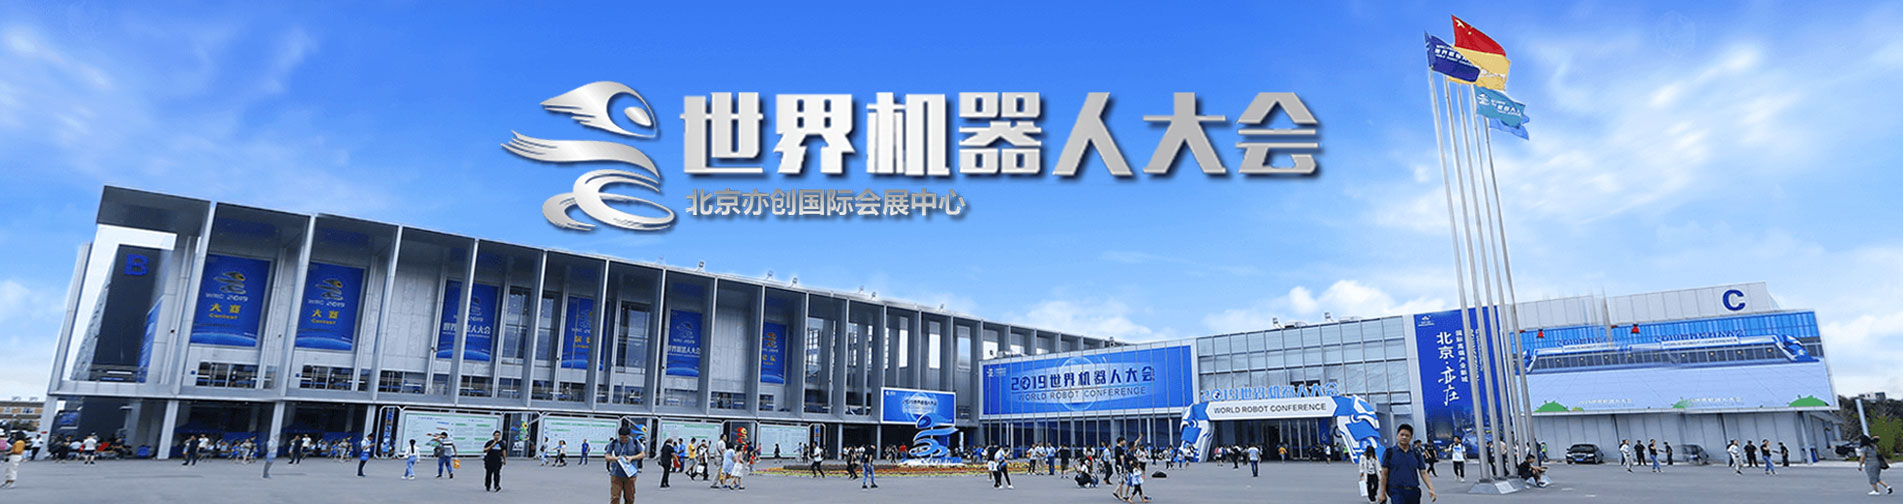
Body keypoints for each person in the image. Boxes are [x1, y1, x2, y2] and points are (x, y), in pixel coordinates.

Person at [1376, 424, 1436, 504]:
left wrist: (1431, 488)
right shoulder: (1389, 453)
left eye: (1407, 435)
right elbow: (1384, 474)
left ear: (1411, 438)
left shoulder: (1416, 453)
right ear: (1397, 436)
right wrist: (1382, 493)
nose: (1404, 437)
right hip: (1396, 491)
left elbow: (1423, 472)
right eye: (1402, 435)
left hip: (1413, 491)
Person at [603, 426, 645, 504]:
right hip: (616, 474)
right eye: (622, 438)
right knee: (615, 497)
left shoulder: (635, 442)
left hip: (630, 474)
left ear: (629, 436)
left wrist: (631, 458)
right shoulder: (614, 443)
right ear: (619, 435)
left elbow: (642, 454)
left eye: (626, 438)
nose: (624, 440)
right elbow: (607, 456)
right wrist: (615, 458)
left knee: (629, 497)